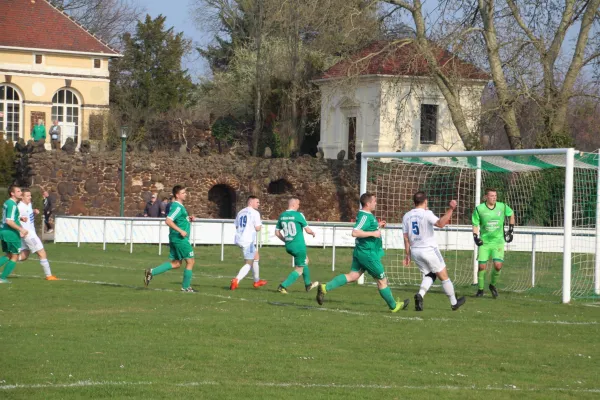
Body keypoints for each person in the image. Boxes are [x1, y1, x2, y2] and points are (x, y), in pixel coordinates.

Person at [316, 192, 409, 312]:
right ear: (368, 203)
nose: (376, 203)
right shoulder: (365, 216)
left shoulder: (367, 215)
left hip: (362, 252)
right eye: (374, 201)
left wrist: (377, 226)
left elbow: (365, 228)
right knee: (382, 280)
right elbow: (355, 232)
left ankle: (324, 287)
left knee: (353, 276)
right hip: (368, 255)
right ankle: (394, 306)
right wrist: (373, 233)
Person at [402, 192, 465, 311]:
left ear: (414, 202)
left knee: (430, 274)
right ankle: (454, 302)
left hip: (415, 251)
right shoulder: (427, 214)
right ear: (425, 201)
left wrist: (407, 254)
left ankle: (420, 295)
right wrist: (451, 209)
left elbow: (406, 237)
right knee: (444, 277)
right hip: (429, 250)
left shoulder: (406, 216)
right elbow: (441, 224)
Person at [144, 185, 198, 292]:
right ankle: (186, 287)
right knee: (190, 261)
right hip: (179, 239)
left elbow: (178, 219)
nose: (185, 194)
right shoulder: (177, 207)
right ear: (177, 195)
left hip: (175, 238)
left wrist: (188, 219)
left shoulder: (179, 207)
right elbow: (168, 220)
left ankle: (151, 272)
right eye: (183, 193)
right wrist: (181, 231)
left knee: (176, 263)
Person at [472, 188, 515, 298]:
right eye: (491, 196)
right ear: (486, 197)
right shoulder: (479, 209)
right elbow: (475, 223)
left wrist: (510, 230)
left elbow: (511, 214)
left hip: (498, 242)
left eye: (495, 195)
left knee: (498, 265)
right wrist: (475, 236)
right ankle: (480, 289)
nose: (494, 197)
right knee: (482, 266)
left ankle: (492, 285)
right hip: (485, 242)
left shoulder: (502, 206)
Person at [275, 197, 319, 294]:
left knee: (305, 261)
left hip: (289, 246)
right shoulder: (298, 215)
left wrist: (286, 240)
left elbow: (277, 232)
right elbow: (307, 230)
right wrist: (312, 233)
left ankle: (308, 284)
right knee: (299, 269)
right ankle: (282, 286)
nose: (299, 206)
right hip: (299, 246)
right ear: (294, 204)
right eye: (298, 204)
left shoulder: (282, 215)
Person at [17, 189, 58, 280]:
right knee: (41, 252)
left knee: (24, 256)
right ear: (22, 197)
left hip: (29, 232)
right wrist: (20, 228)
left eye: (30, 195)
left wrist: (33, 211)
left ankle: (8, 260)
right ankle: (49, 276)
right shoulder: (19, 207)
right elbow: (14, 218)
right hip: (28, 234)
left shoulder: (28, 205)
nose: (30, 197)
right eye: (27, 196)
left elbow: (27, 215)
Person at [230, 196, 267, 290]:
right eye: (257, 202)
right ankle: (236, 280)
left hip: (240, 238)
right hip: (248, 240)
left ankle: (256, 281)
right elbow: (258, 228)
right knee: (249, 263)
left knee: (256, 256)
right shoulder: (254, 213)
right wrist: (258, 227)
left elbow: (237, 226)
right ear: (251, 202)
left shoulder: (240, 212)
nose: (259, 204)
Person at [0, 185, 28, 283]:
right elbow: (9, 221)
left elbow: (8, 217)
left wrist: (20, 218)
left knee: (8, 255)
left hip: (3, 231)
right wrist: (21, 229)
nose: (21, 193)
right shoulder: (12, 204)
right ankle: (2, 278)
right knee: (15, 256)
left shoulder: (7, 202)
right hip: (11, 233)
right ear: (12, 193)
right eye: (18, 191)